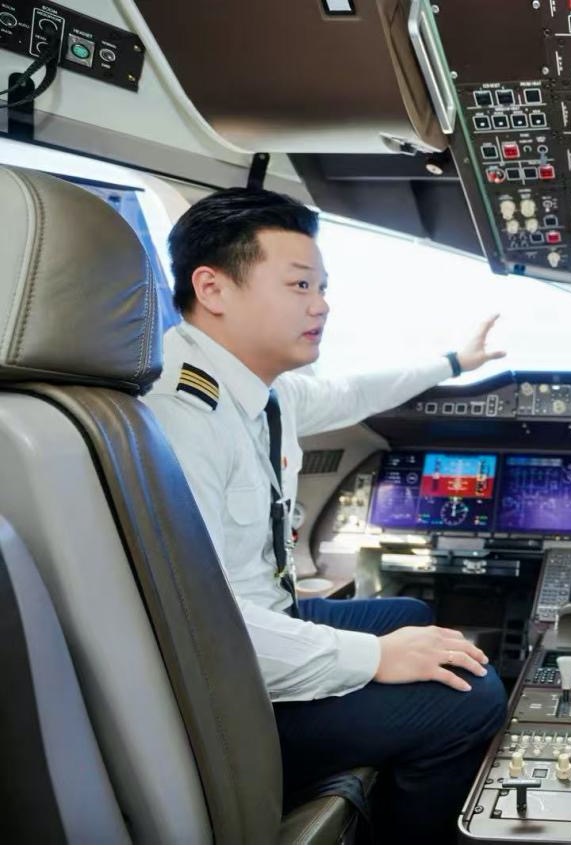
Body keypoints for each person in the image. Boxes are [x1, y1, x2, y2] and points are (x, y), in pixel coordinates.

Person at [143, 187, 508, 842]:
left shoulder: (259, 391)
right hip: (220, 690)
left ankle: (390, 768)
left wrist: (456, 362)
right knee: (472, 696)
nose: (323, 303)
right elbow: (204, 629)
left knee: (413, 616)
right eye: (300, 284)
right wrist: (369, 657)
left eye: (323, 284)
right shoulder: (182, 412)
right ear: (214, 287)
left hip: (259, 621)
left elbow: (352, 392)